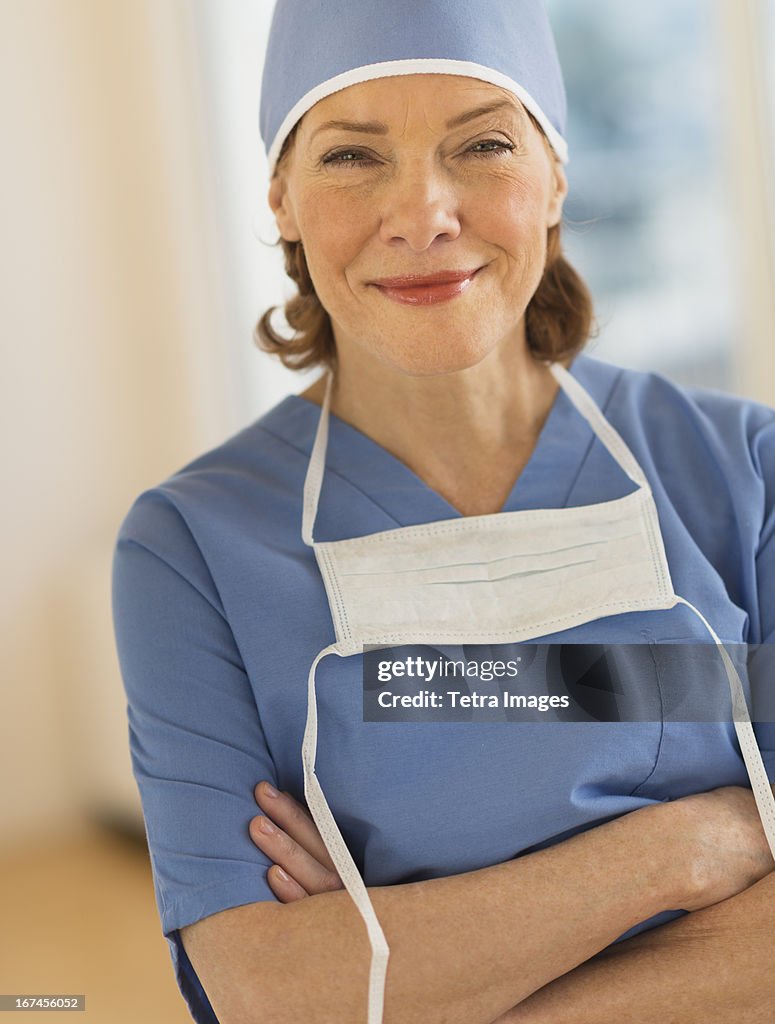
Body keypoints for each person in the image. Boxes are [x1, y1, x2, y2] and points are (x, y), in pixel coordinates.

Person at [110, 2, 775, 1022]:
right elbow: (269, 987)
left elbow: (338, 994)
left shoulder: (740, 469)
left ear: (553, 175)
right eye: (351, 157)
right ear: (282, 197)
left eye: (483, 144)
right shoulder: (192, 549)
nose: (421, 213)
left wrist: (419, 974)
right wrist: (689, 847)